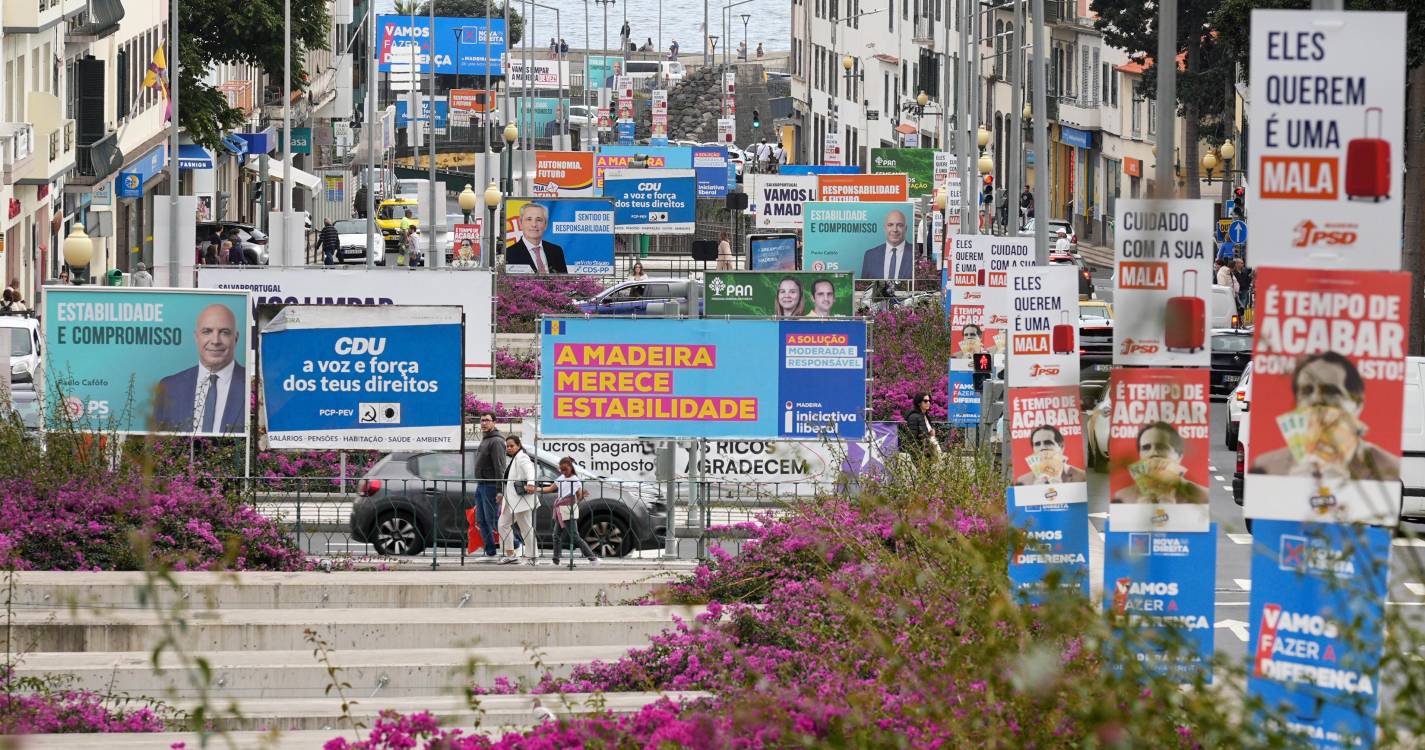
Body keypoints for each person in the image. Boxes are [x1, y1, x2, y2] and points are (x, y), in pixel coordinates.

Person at [1250, 352, 1399, 482]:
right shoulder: (1265, 466)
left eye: (1330, 391)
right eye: (1307, 390)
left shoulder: (1390, 469)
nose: (1316, 399)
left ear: (1357, 403)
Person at [151, 303, 246, 434]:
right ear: (196, 337)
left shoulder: (252, 386)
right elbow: (156, 443)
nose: (215, 341)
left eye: (224, 332)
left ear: (236, 338)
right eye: (207, 331)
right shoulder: (168, 387)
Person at [1110, 422, 1209, 505]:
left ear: (1179, 456)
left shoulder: (1203, 496)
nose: (1153, 453)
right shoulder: (1122, 497)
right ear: (1139, 455)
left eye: (1162, 447)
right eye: (1146, 448)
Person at [544, 457, 601, 566]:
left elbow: (578, 497)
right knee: (556, 535)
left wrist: (581, 495)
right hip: (560, 510)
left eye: (565, 469)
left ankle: (593, 559)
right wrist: (535, 489)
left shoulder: (575, 480)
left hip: (568, 509)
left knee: (574, 536)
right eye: (561, 469)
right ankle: (556, 560)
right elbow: (550, 488)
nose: (563, 472)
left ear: (571, 467)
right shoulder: (561, 477)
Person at [497, 435, 539, 565]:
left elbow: (530, 470)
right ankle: (511, 555)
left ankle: (533, 557)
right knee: (502, 524)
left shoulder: (522, 457)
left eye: (512, 446)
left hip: (521, 500)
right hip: (511, 500)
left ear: (518, 445)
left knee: (526, 528)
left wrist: (531, 483)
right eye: (507, 446)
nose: (509, 448)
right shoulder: (514, 458)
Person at [472, 412, 507, 558]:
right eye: (482, 421)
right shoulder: (486, 439)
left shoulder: (496, 441)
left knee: (494, 521)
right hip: (482, 485)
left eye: (487, 420)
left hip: (491, 485)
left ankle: (517, 545)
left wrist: (500, 490)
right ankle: (490, 551)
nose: (484, 423)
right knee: (481, 520)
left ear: (494, 422)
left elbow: (500, 467)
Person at [1014, 424, 1088, 486]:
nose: (1042, 448)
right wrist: (1035, 491)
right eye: (1037, 444)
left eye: (1048, 442)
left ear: (1061, 447)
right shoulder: (1022, 481)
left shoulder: (1082, 477)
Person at [506, 202, 567, 273]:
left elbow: (564, 279)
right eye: (529, 219)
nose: (534, 224)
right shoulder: (508, 254)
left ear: (545, 224)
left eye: (539, 220)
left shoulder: (556, 251)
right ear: (520, 223)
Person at [860, 210, 913, 280]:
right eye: (890, 225)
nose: (895, 229)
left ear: (905, 229)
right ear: (885, 228)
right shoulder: (870, 256)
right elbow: (864, 284)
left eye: (899, 225)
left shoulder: (915, 254)